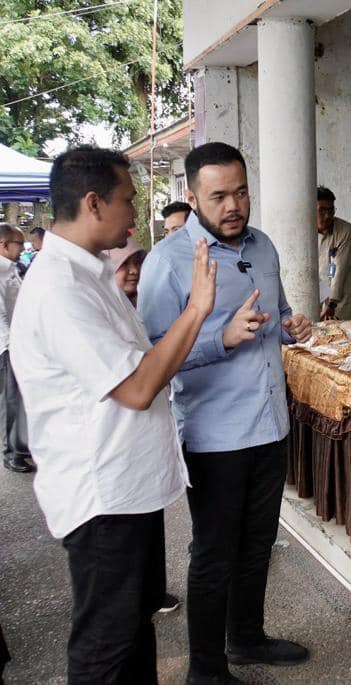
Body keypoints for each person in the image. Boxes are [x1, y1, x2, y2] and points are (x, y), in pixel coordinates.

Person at [10, 146, 217, 684]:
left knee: (132, 627)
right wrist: (197, 310)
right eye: (127, 200)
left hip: (129, 488)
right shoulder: (60, 288)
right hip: (102, 496)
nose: (134, 212)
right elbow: (139, 385)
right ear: (93, 202)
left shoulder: (93, 272)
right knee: (105, 642)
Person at [138, 142, 312, 685]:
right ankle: (206, 669)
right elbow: (153, 357)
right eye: (218, 196)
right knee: (214, 553)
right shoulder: (167, 263)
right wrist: (222, 338)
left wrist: (289, 326)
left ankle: (247, 638)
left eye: (240, 192)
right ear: (191, 198)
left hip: (269, 423)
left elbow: (276, 312)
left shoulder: (263, 247)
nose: (233, 205)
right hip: (214, 435)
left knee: (258, 543)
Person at [103, 237, 182, 615]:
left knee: (151, 524)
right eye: (124, 263)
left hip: (147, 440)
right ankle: (142, 595)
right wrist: (198, 309)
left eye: (137, 262)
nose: (133, 270)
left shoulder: (137, 304)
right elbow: (136, 385)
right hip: (119, 447)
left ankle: (152, 592)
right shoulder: (101, 306)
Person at [0, 224, 30, 473]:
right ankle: (10, 452)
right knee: (10, 401)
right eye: (19, 244)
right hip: (8, 346)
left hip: (19, 343)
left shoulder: (13, 269)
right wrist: (11, 346)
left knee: (22, 399)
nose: (23, 248)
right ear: (4, 245)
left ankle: (21, 444)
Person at [316, 186, 351, 321]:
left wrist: (332, 303)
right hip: (318, 294)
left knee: (344, 337)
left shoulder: (346, 230)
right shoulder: (303, 231)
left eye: (331, 210)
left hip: (340, 297)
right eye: (322, 210)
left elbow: (338, 270)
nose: (328, 216)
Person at [104, 238, 146, 307]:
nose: (135, 271)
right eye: (124, 263)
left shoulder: (146, 304)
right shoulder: (98, 306)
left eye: (137, 262)